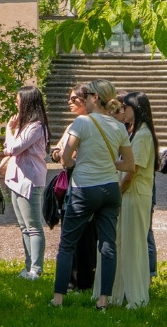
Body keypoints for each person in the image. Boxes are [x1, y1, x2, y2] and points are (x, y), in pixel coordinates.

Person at [50, 79, 134, 310]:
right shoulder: (118, 126)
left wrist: (81, 161)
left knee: (67, 244)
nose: (83, 98)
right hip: (109, 189)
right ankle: (103, 300)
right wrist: (107, 162)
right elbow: (129, 165)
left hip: (84, 188)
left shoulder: (83, 122)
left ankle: (58, 298)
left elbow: (66, 159)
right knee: (107, 245)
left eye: (86, 94)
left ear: (95, 98)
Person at [107, 91, 159, 308]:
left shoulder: (143, 135)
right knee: (124, 243)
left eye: (125, 107)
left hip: (135, 195)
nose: (123, 111)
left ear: (134, 109)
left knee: (134, 245)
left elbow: (132, 172)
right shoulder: (135, 133)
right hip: (131, 195)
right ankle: (122, 292)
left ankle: (137, 297)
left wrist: (116, 196)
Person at [50, 85, 97, 291]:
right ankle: (71, 278)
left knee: (85, 234)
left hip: (84, 181)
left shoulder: (90, 124)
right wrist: (60, 154)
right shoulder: (72, 125)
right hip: (70, 181)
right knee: (69, 231)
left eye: (73, 98)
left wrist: (64, 155)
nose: (69, 102)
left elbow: (69, 155)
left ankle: (83, 279)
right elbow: (58, 152)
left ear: (85, 99)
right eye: (68, 99)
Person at [3, 85, 49, 280]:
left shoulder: (36, 126)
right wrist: (13, 132)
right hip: (16, 179)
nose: (16, 103)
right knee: (23, 226)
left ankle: (36, 269)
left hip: (29, 180)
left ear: (28, 102)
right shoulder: (25, 125)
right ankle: (28, 266)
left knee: (33, 226)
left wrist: (8, 130)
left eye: (18, 100)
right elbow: (10, 147)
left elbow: (13, 148)